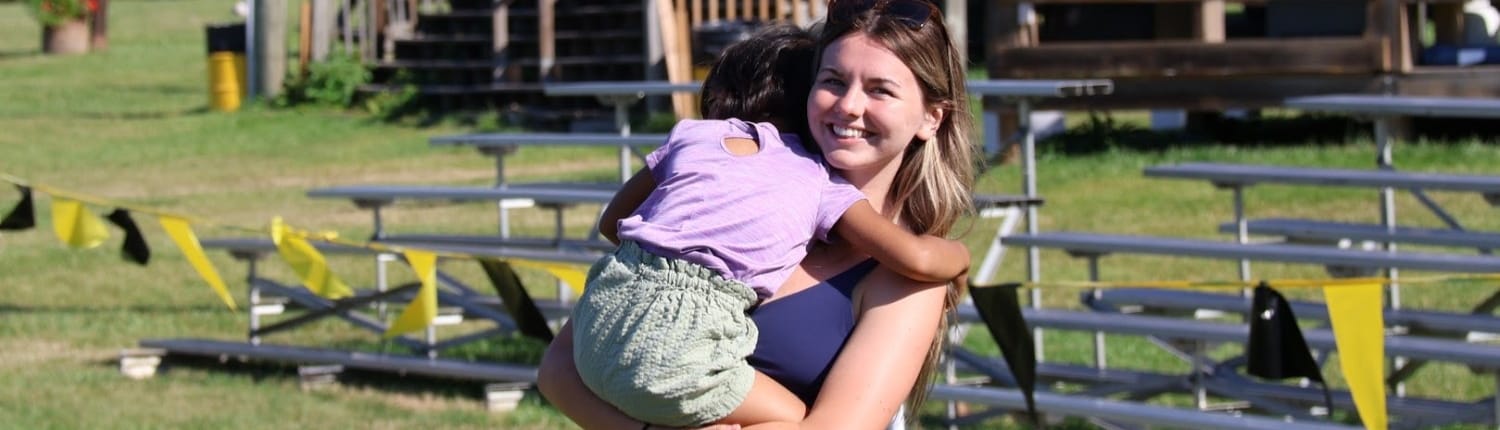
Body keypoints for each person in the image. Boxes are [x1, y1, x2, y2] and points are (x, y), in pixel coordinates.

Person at [538, 0, 977, 427]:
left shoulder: (904, 278)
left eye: (880, 89)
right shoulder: (724, 208)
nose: (848, 105)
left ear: (932, 118)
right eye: (833, 81)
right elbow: (559, 369)